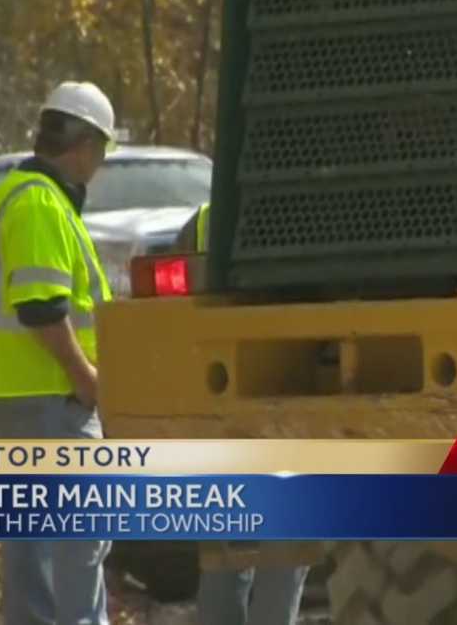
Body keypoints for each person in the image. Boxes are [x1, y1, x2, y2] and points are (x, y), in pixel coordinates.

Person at [0, 81, 116, 625]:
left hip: (16, 394)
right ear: (83, 145)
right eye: (101, 152)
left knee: (35, 544)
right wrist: (85, 378)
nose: (99, 164)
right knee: (80, 539)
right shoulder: (39, 203)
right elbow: (41, 308)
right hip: (52, 394)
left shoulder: (11, 195)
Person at [178, 203, 312, 625]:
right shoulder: (309, 215)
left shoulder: (200, 222)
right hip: (286, 392)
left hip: (216, 399)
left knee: (225, 541)